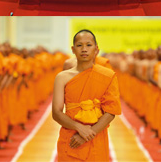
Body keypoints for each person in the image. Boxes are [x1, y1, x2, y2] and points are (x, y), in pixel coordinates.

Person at [52, 30, 121, 161]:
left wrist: (87, 134)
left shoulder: (108, 75)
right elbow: (56, 112)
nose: (84, 49)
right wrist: (79, 128)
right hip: (71, 138)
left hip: (96, 137)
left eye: (89, 45)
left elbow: (111, 112)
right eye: (79, 45)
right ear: (73, 49)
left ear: (96, 49)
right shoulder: (62, 77)